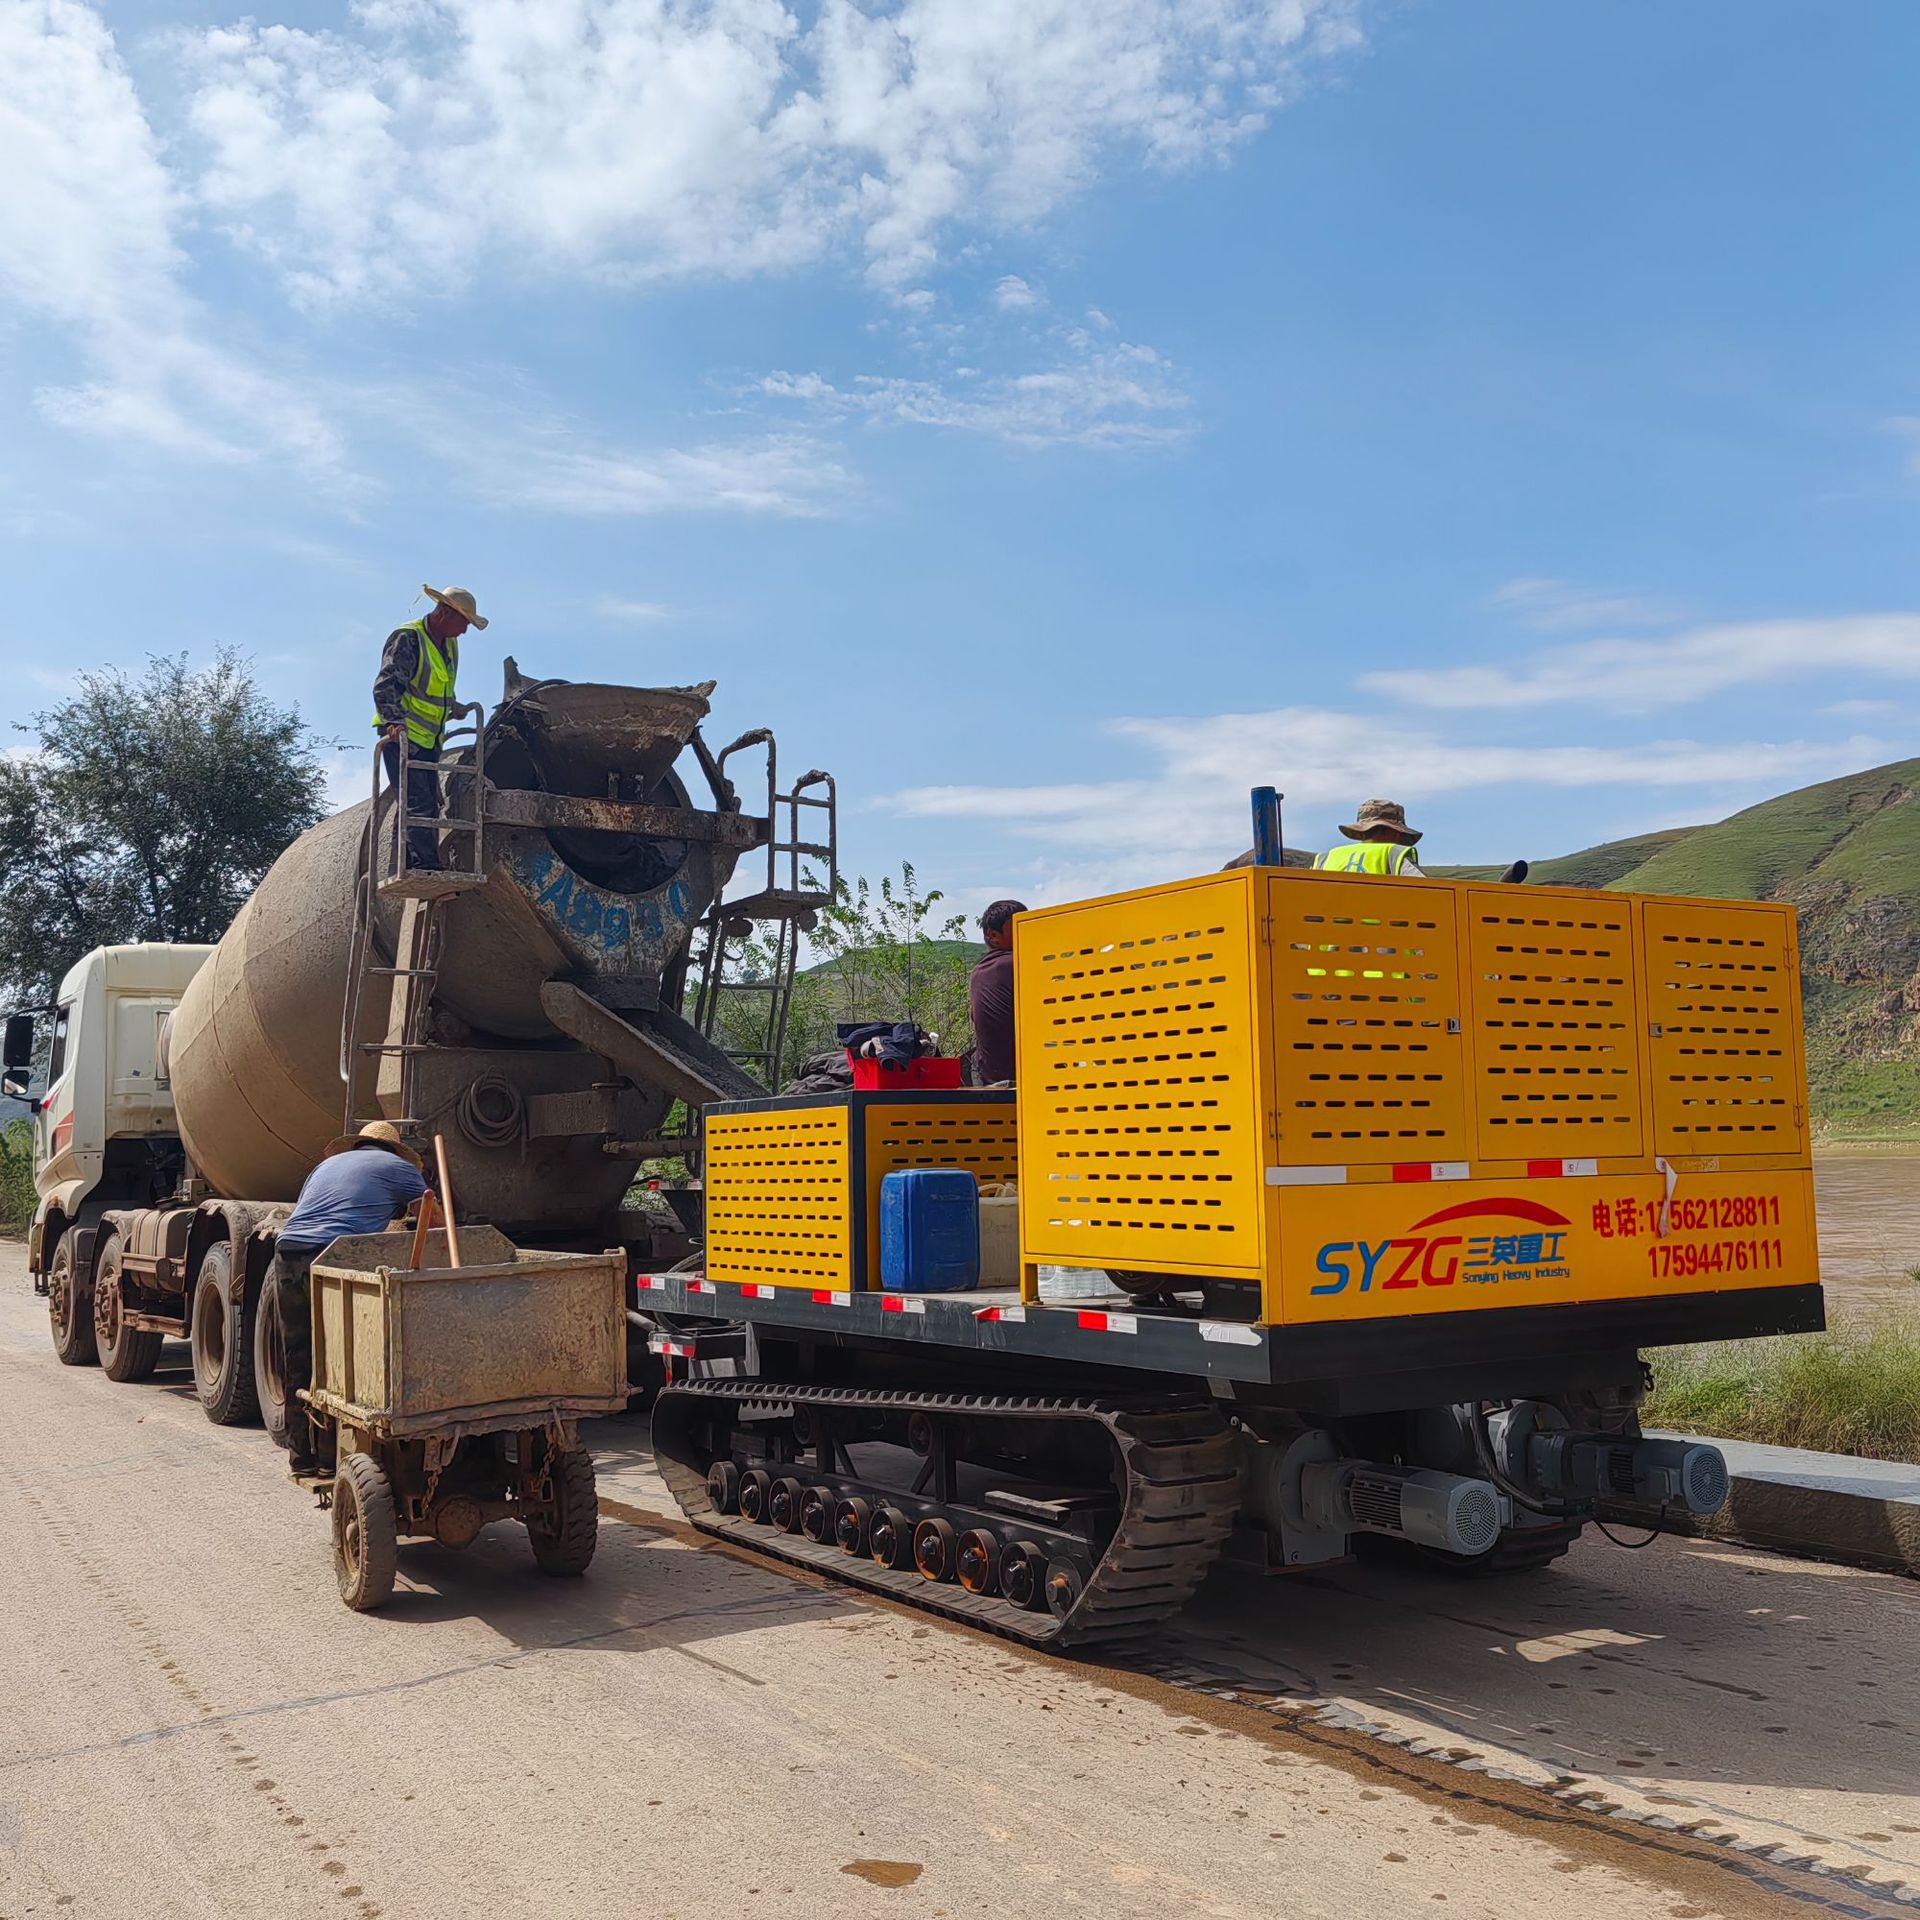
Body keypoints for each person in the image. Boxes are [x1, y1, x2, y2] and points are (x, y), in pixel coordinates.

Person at [267, 1121, 430, 1473]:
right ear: (395, 1151)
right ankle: (329, 1460)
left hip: (288, 1251)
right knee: (338, 1359)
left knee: (299, 1353)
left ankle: (301, 1459)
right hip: (332, 1255)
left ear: (358, 1145)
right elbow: (433, 1217)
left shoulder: (325, 1167)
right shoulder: (401, 1170)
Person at [373, 585, 487, 871]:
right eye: (463, 622)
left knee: (424, 804)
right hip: (402, 737)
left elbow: (433, 690)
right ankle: (425, 867)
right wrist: (393, 723)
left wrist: (454, 707)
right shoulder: (409, 639)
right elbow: (386, 686)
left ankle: (402, 865)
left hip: (429, 740)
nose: (464, 631)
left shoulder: (448, 644)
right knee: (418, 803)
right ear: (444, 612)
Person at [968, 899, 1026, 1086]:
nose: (1026, 933)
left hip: (985, 1076)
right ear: (994, 936)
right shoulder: (1016, 964)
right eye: (1018, 927)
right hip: (1019, 1078)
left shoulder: (978, 971)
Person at [1314, 798, 1427, 876]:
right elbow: (1425, 892)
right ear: (1393, 832)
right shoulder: (1394, 854)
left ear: (1361, 831)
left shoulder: (1326, 858)